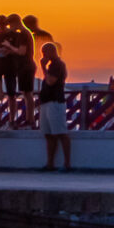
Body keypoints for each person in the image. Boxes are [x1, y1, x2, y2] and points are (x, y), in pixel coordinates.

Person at [40, 42, 73, 171]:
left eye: (45, 53)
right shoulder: (52, 65)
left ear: (52, 52)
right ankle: (50, 163)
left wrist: (43, 67)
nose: (43, 56)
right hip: (47, 102)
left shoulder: (57, 65)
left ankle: (67, 163)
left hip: (55, 102)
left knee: (61, 133)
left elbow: (51, 81)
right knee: (48, 134)